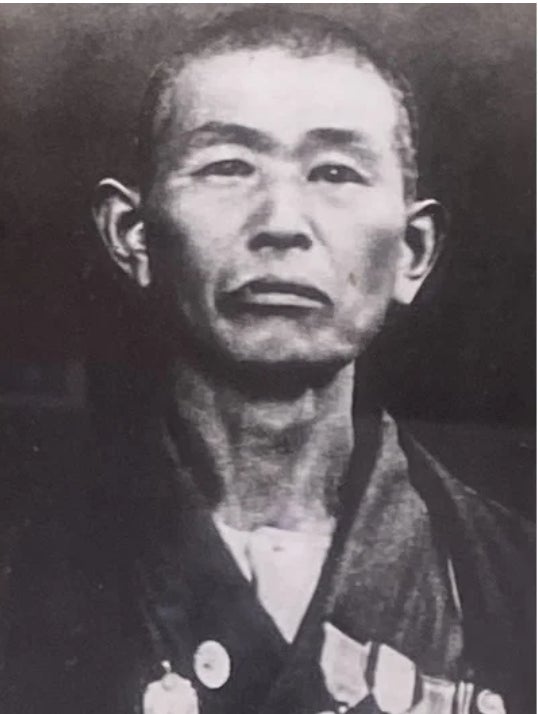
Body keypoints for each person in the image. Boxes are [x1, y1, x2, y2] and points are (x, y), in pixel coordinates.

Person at [0, 8, 533, 714]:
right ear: (133, 235)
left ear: (413, 251)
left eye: (336, 172)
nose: (282, 223)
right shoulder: (24, 560)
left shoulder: (514, 579)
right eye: (228, 167)